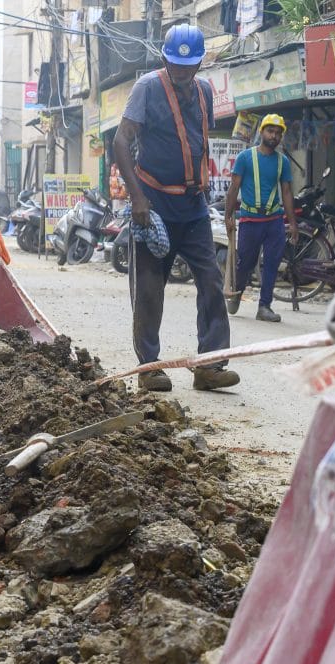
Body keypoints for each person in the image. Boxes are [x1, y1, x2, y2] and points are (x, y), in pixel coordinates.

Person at [112, 24, 239, 392]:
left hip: (193, 206)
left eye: (189, 66)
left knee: (211, 280)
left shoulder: (204, 91)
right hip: (154, 204)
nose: (181, 72)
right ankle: (149, 367)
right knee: (149, 288)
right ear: (165, 60)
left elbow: (197, 141)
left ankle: (210, 365)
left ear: (199, 64)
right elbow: (121, 141)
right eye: (175, 65)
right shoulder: (147, 88)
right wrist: (137, 197)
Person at [223, 114, 299, 322]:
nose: (274, 136)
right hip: (250, 220)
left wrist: (292, 223)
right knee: (245, 263)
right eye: (270, 131)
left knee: (272, 263)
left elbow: (286, 192)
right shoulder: (245, 158)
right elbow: (234, 188)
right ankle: (237, 292)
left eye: (278, 133)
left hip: (274, 220)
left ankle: (264, 306)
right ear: (261, 132)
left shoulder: (283, 162)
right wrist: (228, 216)